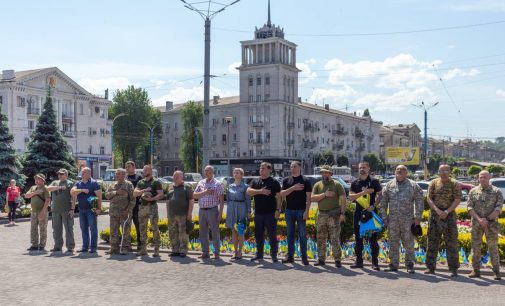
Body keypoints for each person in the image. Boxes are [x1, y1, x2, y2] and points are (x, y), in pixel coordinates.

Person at [381, 165, 423, 273]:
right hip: (393, 220)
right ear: (395, 172)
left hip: (408, 220)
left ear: (406, 173)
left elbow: (419, 202)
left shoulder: (413, 186)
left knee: (408, 243)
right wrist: (384, 217)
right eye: (398, 170)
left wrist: (418, 218)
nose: (400, 171)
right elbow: (383, 203)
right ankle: (393, 264)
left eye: (403, 170)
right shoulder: (389, 185)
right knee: (393, 243)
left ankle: (409, 265)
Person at [425, 164, 461, 277]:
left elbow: (458, 199)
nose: (444, 172)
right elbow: (429, 198)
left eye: (446, 170)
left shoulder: (454, 183)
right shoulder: (434, 183)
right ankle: (430, 268)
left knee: (452, 243)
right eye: (442, 170)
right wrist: (437, 210)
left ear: (450, 171)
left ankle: (453, 269)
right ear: (438, 172)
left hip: (449, 216)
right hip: (435, 216)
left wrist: (446, 212)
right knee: (432, 242)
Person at [467, 170, 503, 280]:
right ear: (478, 178)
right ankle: (476, 270)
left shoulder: (496, 191)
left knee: (493, 248)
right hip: (477, 225)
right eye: (480, 177)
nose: (482, 179)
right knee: (475, 247)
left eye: (485, 177)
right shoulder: (473, 191)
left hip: (491, 225)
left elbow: (498, 208)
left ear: (489, 178)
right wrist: (479, 219)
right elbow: (469, 207)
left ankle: (496, 271)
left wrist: (487, 219)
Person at [348, 161, 382, 270]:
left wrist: (374, 205)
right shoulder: (355, 182)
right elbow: (351, 197)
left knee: (373, 239)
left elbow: (381, 195)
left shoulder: (374, 181)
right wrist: (364, 193)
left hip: (371, 213)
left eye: (364, 167)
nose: (362, 169)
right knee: (358, 238)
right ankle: (359, 262)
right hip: (358, 213)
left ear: (368, 169)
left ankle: (375, 263)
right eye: (360, 168)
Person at [311, 165, 346, 267]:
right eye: (323, 172)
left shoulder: (337, 184)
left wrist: (342, 214)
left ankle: (337, 260)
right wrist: (324, 195)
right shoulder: (317, 185)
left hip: (333, 215)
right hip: (321, 214)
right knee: (321, 237)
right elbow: (312, 198)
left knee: (334, 238)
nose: (324, 174)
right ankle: (321, 259)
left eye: (326, 172)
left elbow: (343, 200)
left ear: (331, 174)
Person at [247, 162, 282, 263]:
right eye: (260, 168)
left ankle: (274, 255)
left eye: (263, 168)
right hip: (258, 213)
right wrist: (260, 191)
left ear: (269, 170)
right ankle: (259, 255)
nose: (261, 170)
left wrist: (278, 210)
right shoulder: (255, 181)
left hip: (270, 213)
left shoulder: (274, 182)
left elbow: (279, 197)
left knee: (272, 235)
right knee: (258, 235)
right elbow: (248, 191)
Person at [280, 161, 312, 265]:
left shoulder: (305, 180)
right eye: (291, 167)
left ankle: (304, 257)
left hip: (301, 211)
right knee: (290, 235)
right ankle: (290, 257)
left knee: (302, 235)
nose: (292, 168)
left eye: (294, 166)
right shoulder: (286, 180)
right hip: (289, 211)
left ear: (300, 168)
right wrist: (293, 188)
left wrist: (307, 211)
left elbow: (309, 198)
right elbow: (282, 194)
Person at [193, 165, 225, 260]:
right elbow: (195, 195)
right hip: (202, 210)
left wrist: (220, 213)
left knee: (215, 232)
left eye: (208, 171)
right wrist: (205, 192)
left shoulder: (217, 184)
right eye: (205, 171)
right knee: (202, 233)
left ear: (212, 172)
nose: (206, 172)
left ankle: (217, 253)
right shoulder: (201, 183)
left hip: (212, 210)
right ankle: (205, 252)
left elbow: (222, 200)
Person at [133, 165, 164, 257]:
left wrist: (152, 198)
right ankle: (143, 249)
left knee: (154, 228)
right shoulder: (140, 182)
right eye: (144, 170)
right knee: (142, 229)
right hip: (142, 207)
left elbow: (161, 194)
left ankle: (156, 250)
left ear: (151, 171)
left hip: (152, 207)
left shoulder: (156, 182)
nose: (145, 171)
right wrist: (143, 191)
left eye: (147, 170)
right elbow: (135, 193)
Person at [71, 167, 102, 253]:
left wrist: (99, 208)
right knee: (83, 228)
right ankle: (85, 247)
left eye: (84, 172)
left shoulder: (94, 183)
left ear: (89, 173)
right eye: (82, 172)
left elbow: (99, 196)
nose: (82, 173)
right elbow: (72, 192)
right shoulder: (78, 183)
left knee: (93, 228)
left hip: (92, 209)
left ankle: (93, 247)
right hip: (82, 209)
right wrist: (82, 190)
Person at [105, 168, 135, 255]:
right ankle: (114, 248)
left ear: (123, 175)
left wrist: (128, 210)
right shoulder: (112, 185)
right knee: (113, 230)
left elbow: (133, 200)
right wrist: (116, 192)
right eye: (116, 174)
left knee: (126, 230)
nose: (116, 175)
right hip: (113, 212)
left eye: (118, 174)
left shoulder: (129, 185)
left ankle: (125, 247)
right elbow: (106, 195)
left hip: (124, 212)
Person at [47, 169, 75, 253]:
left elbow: (74, 197)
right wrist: (59, 187)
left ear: (66, 175)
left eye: (62, 174)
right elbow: (48, 189)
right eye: (59, 174)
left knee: (69, 229)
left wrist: (72, 209)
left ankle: (70, 247)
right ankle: (57, 246)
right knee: (56, 229)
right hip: (55, 210)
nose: (60, 176)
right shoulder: (55, 182)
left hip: (66, 210)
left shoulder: (70, 183)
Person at [167, 171, 194, 258]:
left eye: (177, 176)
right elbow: (168, 201)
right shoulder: (171, 187)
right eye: (174, 176)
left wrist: (189, 213)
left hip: (183, 214)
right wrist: (168, 213)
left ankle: (183, 250)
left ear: (181, 177)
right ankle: (175, 250)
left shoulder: (187, 187)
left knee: (183, 233)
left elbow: (191, 201)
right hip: (172, 215)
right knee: (173, 233)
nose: (175, 178)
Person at [225, 168, 251, 260]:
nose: (235, 174)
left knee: (240, 231)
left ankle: (240, 252)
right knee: (233, 231)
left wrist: (249, 212)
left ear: (242, 175)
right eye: (234, 173)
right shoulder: (230, 186)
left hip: (241, 208)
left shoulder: (245, 186)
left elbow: (248, 200)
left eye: (238, 173)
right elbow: (228, 200)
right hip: (232, 208)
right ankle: (235, 251)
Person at [25, 174, 51, 251]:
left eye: (38, 179)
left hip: (42, 211)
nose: (36, 180)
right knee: (33, 228)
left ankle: (42, 245)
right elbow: (26, 196)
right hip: (34, 212)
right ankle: (34, 245)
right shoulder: (33, 188)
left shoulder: (45, 188)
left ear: (43, 180)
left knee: (42, 228)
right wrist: (35, 193)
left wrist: (43, 211)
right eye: (35, 179)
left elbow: (47, 200)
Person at [125, 161, 143, 251]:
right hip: (126, 206)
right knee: (126, 226)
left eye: (129, 167)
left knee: (138, 226)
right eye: (126, 167)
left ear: (133, 167)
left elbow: (141, 190)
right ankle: (127, 245)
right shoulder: (125, 177)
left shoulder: (138, 177)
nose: (127, 168)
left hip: (136, 206)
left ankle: (140, 245)